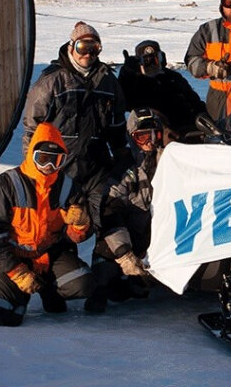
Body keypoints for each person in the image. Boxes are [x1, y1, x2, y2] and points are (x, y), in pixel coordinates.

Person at [0, 122, 95, 326]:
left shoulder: (68, 187)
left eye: (56, 160)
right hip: (13, 257)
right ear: (32, 156)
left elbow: (76, 237)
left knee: (83, 283)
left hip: (47, 255)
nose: (49, 167)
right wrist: (18, 272)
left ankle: (46, 290)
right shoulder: (5, 186)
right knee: (7, 315)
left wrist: (81, 225)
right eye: (43, 159)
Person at [22, 21, 130, 217]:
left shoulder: (107, 81)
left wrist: (121, 155)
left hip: (96, 166)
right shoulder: (52, 82)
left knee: (94, 217)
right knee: (59, 217)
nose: (88, 54)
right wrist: (32, 167)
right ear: (71, 47)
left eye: (94, 48)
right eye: (82, 48)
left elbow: (117, 124)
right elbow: (32, 128)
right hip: (59, 165)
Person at [85, 108, 165, 313]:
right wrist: (124, 254)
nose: (150, 141)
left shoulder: (170, 160)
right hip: (131, 238)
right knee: (106, 272)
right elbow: (110, 212)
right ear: (132, 138)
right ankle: (108, 280)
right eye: (142, 136)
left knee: (140, 289)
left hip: (160, 237)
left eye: (155, 134)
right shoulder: (122, 169)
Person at [119, 40, 207, 142]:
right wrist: (126, 73)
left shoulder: (173, 77)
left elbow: (194, 101)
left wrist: (205, 117)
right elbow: (123, 102)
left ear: (161, 57)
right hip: (154, 135)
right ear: (139, 61)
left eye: (155, 58)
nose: (151, 62)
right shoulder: (135, 81)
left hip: (186, 130)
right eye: (146, 59)